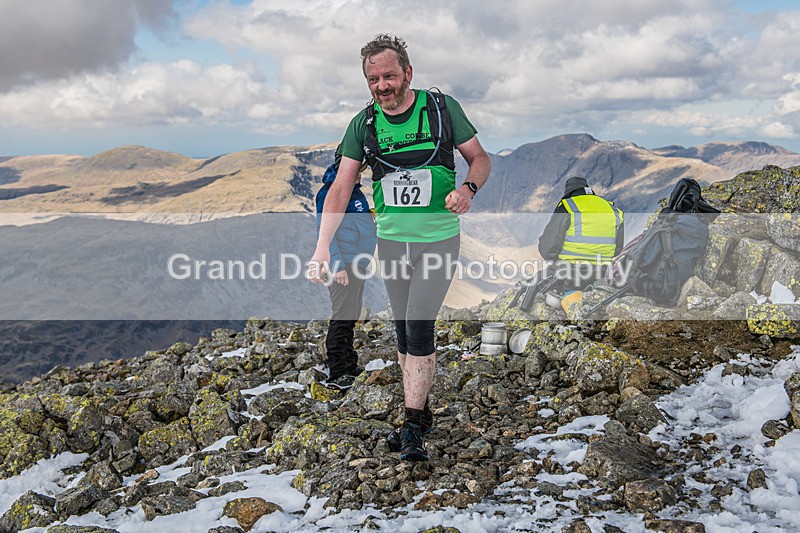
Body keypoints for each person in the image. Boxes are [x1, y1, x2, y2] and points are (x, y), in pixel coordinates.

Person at [308, 34, 491, 461]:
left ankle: (411, 423)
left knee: (420, 325)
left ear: (408, 73)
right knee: (403, 333)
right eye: (373, 79)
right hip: (391, 244)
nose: (382, 86)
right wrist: (321, 249)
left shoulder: (441, 110)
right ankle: (419, 411)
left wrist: (468, 188)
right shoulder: (364, 125)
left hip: (437, 240)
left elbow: (480, 158)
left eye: (390, 75)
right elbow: (340, 188)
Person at [315, 147, 377, 391]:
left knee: (351, 314)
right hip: (343, 266)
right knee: (342, 317)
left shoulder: (353, 192)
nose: (360, 175)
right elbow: (326, 233)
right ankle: (338, 371)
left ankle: (349, 366)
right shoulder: (330, 193)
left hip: (357, 264)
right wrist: (337, 267)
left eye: (361, 170)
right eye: (356, 170)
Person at [538, 176, 624, 289]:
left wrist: (554, 260)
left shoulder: (568, 206)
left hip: (570, 273)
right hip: (603, 273)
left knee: (537, 282)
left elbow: (548, 246)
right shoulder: (613, 210)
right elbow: (618, 248)